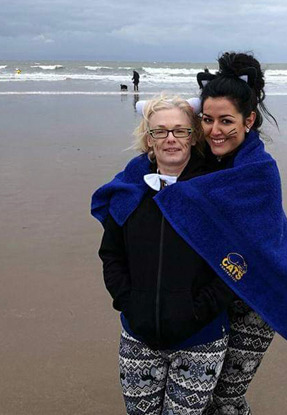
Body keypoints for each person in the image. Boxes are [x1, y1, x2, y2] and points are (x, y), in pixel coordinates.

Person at [177, 52, 287, 414]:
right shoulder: (201, 161)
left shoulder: (259, 170)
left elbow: (261, 244)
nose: (215, 130)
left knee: (226, 397)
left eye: (227, 120)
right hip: (212, 297)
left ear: (249, 120)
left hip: (256, 299)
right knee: (199, 394)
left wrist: (168, 191)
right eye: (207, 119)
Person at [91, 95, 235, 415]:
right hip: (138, 337)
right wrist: (129, 303)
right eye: (160, 132)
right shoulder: (129, 192)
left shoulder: (217, 191)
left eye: (180, 131)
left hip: (201, 340)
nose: (170, 139)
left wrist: (198, 311)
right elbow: (111, 255)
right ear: (148, 139)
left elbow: (235, 263)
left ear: (193, 136)